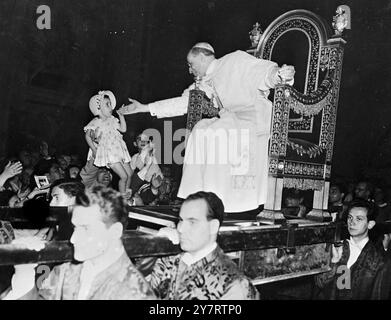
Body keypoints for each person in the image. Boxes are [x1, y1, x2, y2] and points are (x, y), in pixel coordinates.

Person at [120, 42, 295, 213]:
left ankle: (228, 199)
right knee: (201, 129)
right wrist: (145, 107)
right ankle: (202, 197)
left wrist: (279, 74)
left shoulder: (234, 60)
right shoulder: (205, 81)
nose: (190, 70)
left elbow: (263, 72)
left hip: (254, 118)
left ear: (203, 57)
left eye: (191, 64)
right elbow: (183, 103)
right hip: (231, 119)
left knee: (215, 132)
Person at [1, 186, 156, 300]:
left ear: (115, 231)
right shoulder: (66, 271)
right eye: (75, 228)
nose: (73, 238)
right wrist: (24, 271)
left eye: (85, 229)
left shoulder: (134, 293)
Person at [148, 191, 259, 299]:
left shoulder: (234, 284)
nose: (181, 229)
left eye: (192, 222)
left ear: (213, 227)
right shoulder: (166, 263)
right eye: (181, 220)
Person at [314, 199, 385, 299]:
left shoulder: (377, 259)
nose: (352, 223)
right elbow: (320, 284)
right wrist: (334, 262)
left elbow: (377, 294)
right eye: (350, 218)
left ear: (370, 224)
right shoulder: (337, 247)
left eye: (359, 219)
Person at [83, 90, 132, 196]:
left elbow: (123, 129)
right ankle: (123, 198)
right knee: (123, 176)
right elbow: (87, 136)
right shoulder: (95, 122)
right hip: (110, 154)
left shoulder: (113, 119)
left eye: (110, 104)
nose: (111, 107)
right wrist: (94, 150)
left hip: (119, 152)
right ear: (99, 108)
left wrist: (121, 116)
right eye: (107, 104)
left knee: (130, 173)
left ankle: (127, 193)